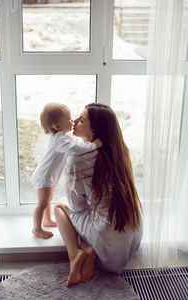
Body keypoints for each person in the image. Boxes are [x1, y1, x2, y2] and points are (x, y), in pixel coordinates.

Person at [54, 103, 143, 287]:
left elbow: (76, 206)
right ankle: (88, 247)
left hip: (108, 244)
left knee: (59, 205)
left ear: (94, 130)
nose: (75, 121)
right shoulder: (119, 150)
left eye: (82, 120)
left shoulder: (78, 158)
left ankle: (75, 254)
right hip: (133, 235)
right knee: (94, 211)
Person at [32, 103, 102, 239]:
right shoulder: (58, 139)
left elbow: (77, 143)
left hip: (48, 177)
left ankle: (46, 220)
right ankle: (36, 228)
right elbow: (75, 148)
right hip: (44, 177)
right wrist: (94, 145)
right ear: (57, 126)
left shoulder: (64, 136)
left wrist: (87, 141)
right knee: (42, 203)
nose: (72, 121)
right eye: (69, 119)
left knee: (47, 200)